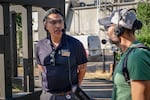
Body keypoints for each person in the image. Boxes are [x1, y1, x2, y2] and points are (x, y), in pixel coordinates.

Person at [35, 8, 88, 100]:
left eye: (60, 22)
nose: (58, 25)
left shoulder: (76, 44)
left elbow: (82, 69)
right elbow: (41, 67)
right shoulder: (40, 45)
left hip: (68, 95)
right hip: (47, 96)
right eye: (53, 22)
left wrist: (75, 88)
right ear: (46, 26)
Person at [99, 8, 150, 100]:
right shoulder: (128, 55)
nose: (106, 32)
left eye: (108, 27)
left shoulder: (137, 57)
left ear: (118, 29)